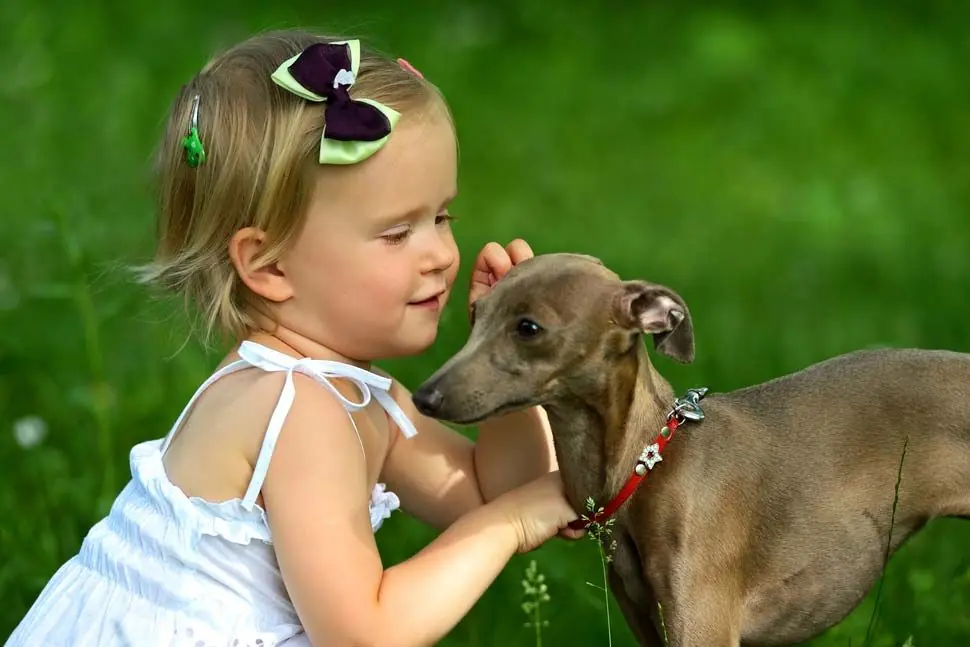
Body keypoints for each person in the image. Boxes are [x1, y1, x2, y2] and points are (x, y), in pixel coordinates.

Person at [6, 29, 580, 647]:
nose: (440, 254)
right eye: (396, 234)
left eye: (441, 217)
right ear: (270, 265)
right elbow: (365, 633)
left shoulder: (351, 392)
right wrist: (511, 524)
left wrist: (503, 357)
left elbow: (494, 492)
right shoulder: (300, 409)